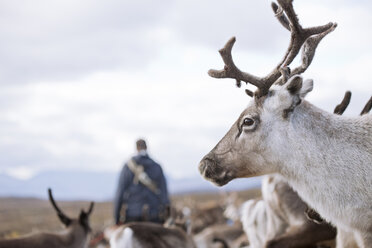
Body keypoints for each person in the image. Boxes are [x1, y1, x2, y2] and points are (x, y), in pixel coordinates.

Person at [114, 139, 170, 224]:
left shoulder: (127, 167)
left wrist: (117, 219)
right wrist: (167, 216)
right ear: (146, 147)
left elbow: (120, 193)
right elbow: (164, 194)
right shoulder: (157, 166)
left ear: (136, 148)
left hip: (132, 217)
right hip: (154, 217)